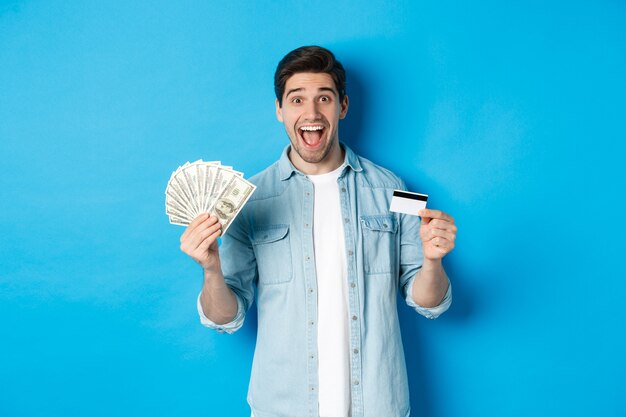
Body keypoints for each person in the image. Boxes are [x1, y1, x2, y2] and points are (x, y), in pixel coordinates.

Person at [179, 46, 457, 417]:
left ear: (342, 107)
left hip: (377, 405)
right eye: (297, 100)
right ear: (280, 110)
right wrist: (211, 269)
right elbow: (224, 318)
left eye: (323, 98)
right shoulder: (248, 199)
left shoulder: (395, 189)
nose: (311, 113)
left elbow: (428, 303)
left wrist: (434, 261)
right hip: (283, 407)